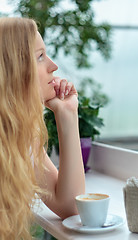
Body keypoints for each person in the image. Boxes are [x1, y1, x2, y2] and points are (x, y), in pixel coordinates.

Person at [0, 17, 85, 240]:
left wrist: (67, 114)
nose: (53, 66)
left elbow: (70, 206)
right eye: (39, 57)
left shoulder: (22, 136)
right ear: (12, 69)